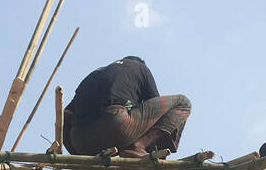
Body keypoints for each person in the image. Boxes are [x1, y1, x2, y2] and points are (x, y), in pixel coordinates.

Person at [62, 56, 191, 158]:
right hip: (116, 125)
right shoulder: (140, 68)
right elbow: (157, 113)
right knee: (183, 103)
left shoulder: (96, 74)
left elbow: (65, 116)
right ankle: (138, 146)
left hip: (80, 141)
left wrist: (78, 157)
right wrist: (152, 152)